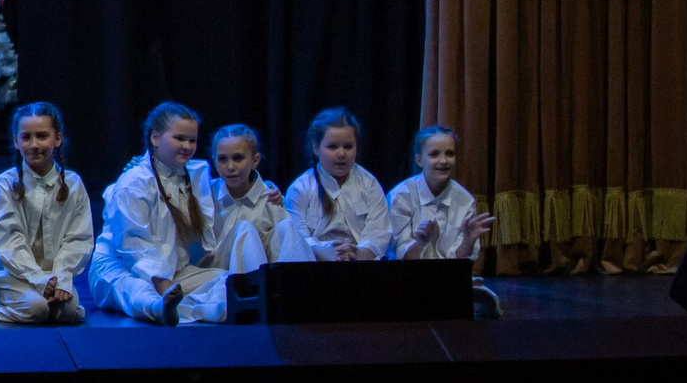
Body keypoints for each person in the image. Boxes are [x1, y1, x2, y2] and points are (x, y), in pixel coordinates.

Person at [93, 102, 248, 324]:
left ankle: (202, 311)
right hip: (121, 267)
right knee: (135, 290)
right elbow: (133, 246)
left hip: (172, 272)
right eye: (179, 139)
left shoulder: (194, 175)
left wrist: (265, 188)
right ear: (155, 138)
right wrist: (165, 288)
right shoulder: (134, 183)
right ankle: (161, 307)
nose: (187, 146)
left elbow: (229, 191)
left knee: (224, 280)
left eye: (192, 140)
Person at [0, 102, 90, 325]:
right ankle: (1, 305)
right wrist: (38, 278)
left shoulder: (73, 184)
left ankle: (44, 299)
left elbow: (79, 238)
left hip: (55, 275)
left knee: (69, 312)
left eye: (42, 136)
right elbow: (8, 240)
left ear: (57, 138)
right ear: (16, 141)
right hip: (18, 275)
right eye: (26, 137)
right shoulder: (6, 184)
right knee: (38, 309)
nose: (34, 145)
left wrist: (61, 278)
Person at [386, 124, 501, 317]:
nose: (443, 161)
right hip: (408, 278)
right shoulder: (401, 196)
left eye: (450, 154)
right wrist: (421, 242)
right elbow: (402, 259)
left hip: (447, 281)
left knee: (478, 303)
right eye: (434, 154)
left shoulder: (464, 200)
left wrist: (468, 239)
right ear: (419, 160)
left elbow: (457, 265)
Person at [276, 107, 390, 262]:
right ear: (316, 148)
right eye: (333, 147)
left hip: (362, 263)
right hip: (314, 263)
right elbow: (297, 237)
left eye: (348, 147)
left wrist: (359, 253)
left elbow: (378, 231)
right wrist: (323, 252)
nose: (341, 154)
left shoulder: (369, 184)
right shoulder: (300, 188)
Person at [202, 124, 287, 273]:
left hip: (261, 271)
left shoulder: (270, 197)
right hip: (214, 271)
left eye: (238, 158)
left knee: (287, 226)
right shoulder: (206, 193)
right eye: (222, 159)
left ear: (255, 160)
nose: (230, 166)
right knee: (244, 229)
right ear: (215, 162)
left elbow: (289, 242)